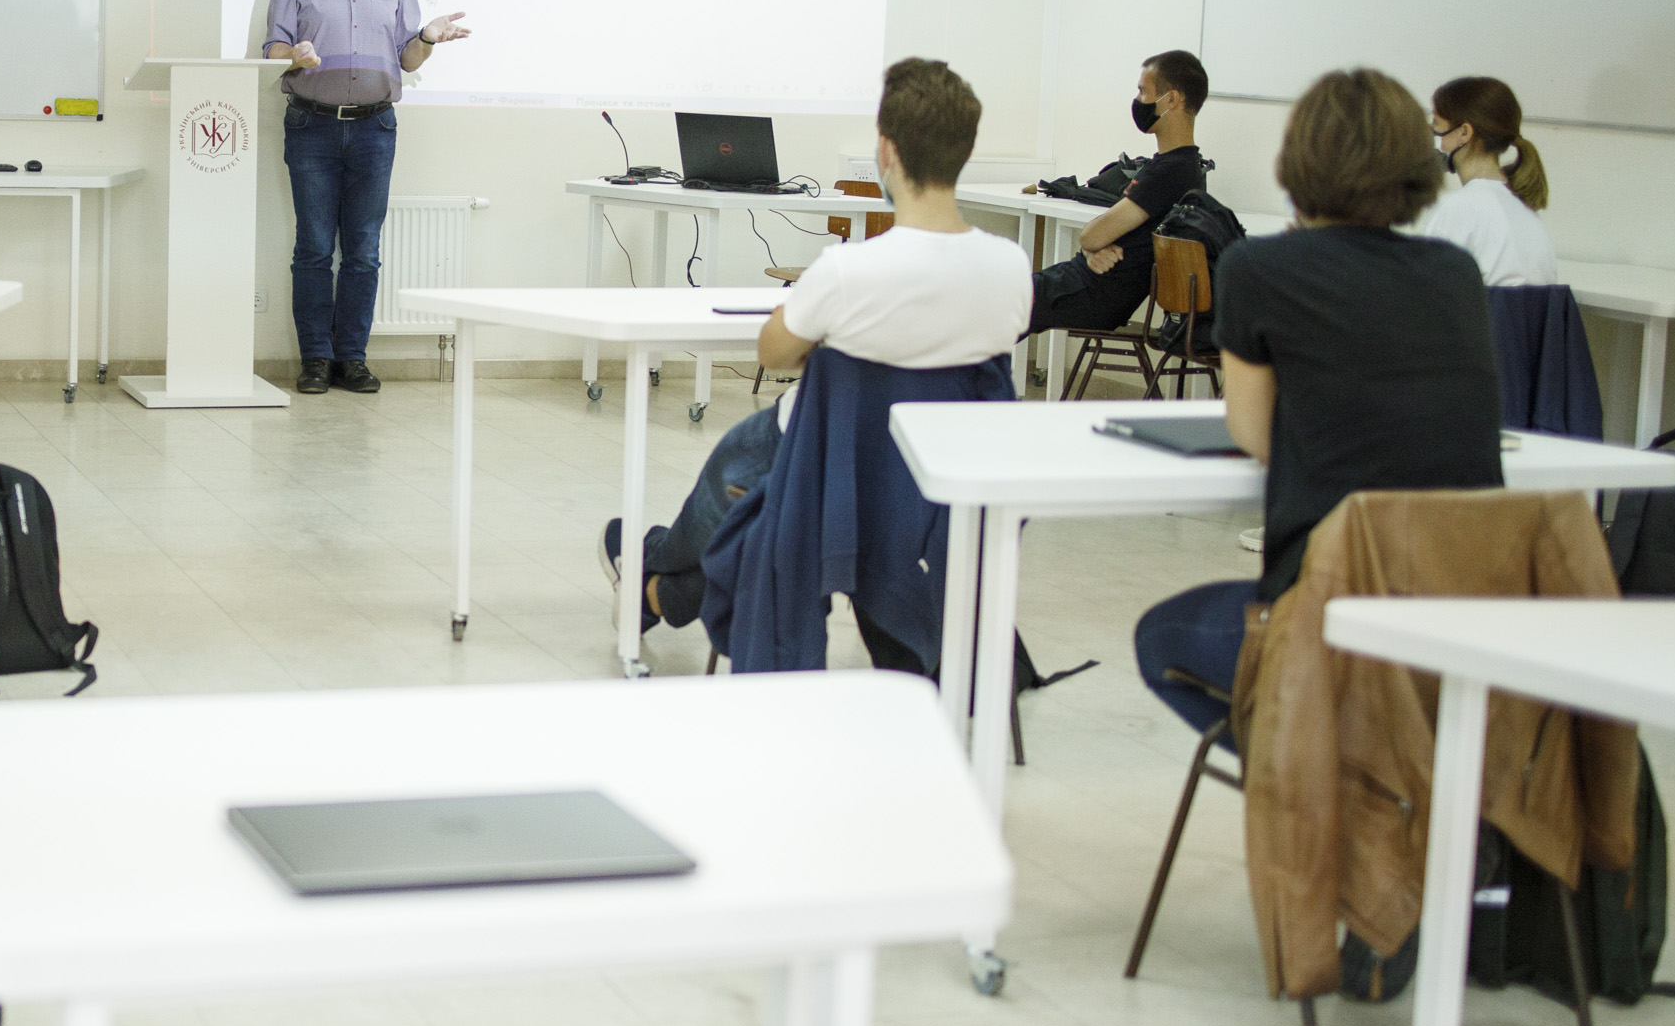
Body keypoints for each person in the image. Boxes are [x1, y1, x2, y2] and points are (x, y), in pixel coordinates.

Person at [1133, 67, 1503, 737]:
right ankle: (1371, 756)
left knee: (1159, 637)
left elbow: (1254, 432)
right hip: (1459, 606)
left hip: (1327, 599)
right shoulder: (1456, 272)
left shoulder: (1257, 268)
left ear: (1299, 161)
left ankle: (1319, 761)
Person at [607, 56, 1031, 631]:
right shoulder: (1011, 266)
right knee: (757, 489)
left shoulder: (847, 270)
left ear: (887, 151)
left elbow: (772, 353)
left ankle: (650, 564)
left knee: (742, 463)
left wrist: (821, 336)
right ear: (966, 150)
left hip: (830, 465)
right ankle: (663, 591)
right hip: (936, 481)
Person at [263, 0, 471, 396]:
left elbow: (408, 57)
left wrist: (428, 37)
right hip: (311, 125)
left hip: (375, 127)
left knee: (363, 250)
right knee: (314, 247)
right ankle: (316, 358)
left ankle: (352, 359)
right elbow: (273, 50)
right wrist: (294, 55)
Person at [1026, 48, 1213, 338]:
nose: (1138, 100)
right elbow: (1098, 239)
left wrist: (1091, 245)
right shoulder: (1188, 167)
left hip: (1094, 291)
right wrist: (1092, 250)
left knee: (993, 301)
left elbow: (1091, 235)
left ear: (1171, 99)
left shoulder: (1168, 172)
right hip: (1091, 282)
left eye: (1143, 91)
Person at [1413, 75, 1556, 286]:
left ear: (1464, 132)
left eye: (1436, 123)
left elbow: (1423, 292)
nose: (1431, 133)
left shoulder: (1455, 209)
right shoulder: (1525, 208)